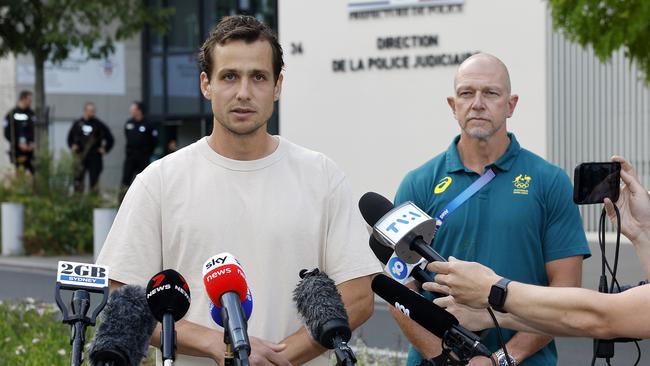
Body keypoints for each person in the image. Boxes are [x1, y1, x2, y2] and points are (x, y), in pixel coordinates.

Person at [97, 15, 381, 366]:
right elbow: (123, 297)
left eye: (258, 77)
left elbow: (358, 294)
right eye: (229, 76)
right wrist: (218, 344)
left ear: (277, 86)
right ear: (206, 84)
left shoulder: (322, 175)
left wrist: (281, 356)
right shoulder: (159, 181)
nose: (243, 92)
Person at [390, 53, 591, 366]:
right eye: (467, 93)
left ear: (510, 104)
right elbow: (399, 293)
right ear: (452, 104)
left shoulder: (549, 182)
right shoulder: (418, 184)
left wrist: (501, 359)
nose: (478, 103)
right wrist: (444, 357)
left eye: (491, 93)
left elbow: (564, 293)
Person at [425, 155, 650, 340]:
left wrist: (494, 289)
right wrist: (643, 231)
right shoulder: (423, 178)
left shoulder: (549, 179)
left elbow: (600, 317)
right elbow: (577, 318)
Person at [67, 102, 115, 192]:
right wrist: (72, 146)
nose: (92, 113)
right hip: (80, 156)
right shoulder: (78, 124)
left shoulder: (99, 125)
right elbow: (69, 138)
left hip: (95, 157)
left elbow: (110, 139)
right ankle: (77, 201)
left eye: (94, 111)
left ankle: (93, 202)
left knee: (94, 181)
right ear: (85, 111)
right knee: (78, 180)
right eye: (90, 111)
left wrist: (105, 149)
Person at [120, 101, 158, 189]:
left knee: (143, 180)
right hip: (130, 156)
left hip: (143, 157)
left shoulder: (149, 124)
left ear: (139, 110)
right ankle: (122, 199)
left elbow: (154, 141)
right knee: (126, 179)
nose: (131, 111)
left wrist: (147, 151)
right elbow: (127, 135)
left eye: (133, 109)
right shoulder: (129, 123)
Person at [3, 90, 36, 173]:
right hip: (17, 150)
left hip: (30, 150)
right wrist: (18, 143)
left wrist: (32, 142)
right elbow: (7, 133)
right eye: (29, 99)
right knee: (20, 172)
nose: (31, 102)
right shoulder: (11, 114)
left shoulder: (31, 114)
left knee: (33, 173)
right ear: (23, 99)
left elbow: (35, 130)